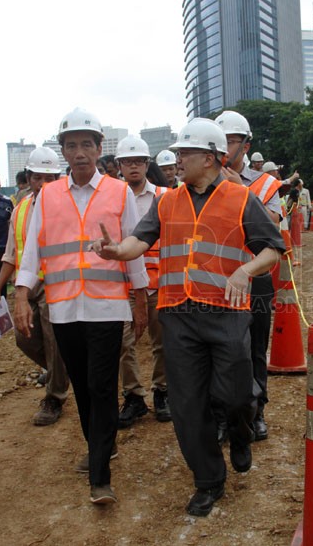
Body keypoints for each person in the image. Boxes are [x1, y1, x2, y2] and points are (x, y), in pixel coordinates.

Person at [89, 117, 283, 516]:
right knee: (188, 404)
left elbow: (273, 249)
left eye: (186, 153)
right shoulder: (167, 202)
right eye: (177, 153)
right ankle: (208, 480)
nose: (178, 160)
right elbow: (138, 241)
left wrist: (245, 271)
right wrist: (115, 252)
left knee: (234, 396)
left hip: (227, 313)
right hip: (178, 313)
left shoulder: (241, 199)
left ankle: (241, 433)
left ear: (211, 158)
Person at [13, 107, 148, 505]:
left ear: (99, 148)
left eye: (86, 144)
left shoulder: (119, 192)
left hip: (107, 308)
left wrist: (140, 300)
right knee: (84, 390)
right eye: (71, 146)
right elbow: (33, 251)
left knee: (101, 385)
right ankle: (100, 447)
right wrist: (22, 294)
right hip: (64, 309)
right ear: (64, 152)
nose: (79, 152)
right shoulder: (48, 196)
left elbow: (134, 249)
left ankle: (100, 477)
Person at [0, 147, 69, 427]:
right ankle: (62, 372)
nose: (43, 184)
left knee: (53, 340)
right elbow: (12, 252)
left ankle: (55, 397)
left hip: (54, 283)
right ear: (29, 178)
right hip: (26, 286)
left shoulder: (67, 208)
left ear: (59, 178)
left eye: (50, 178)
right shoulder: (21, 209)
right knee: (24, 339)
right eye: (38, 177)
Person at [216, 110, 282, 443]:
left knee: (255, 347)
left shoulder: (266, 182)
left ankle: (257, 413)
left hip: (256, 275)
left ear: (246, 144)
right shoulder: (205, 181)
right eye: (222, 140)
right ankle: (223, 416)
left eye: (232, 141)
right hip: (218, 274)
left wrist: (238, 191)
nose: (227, 148)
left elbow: (271, 224)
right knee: (220, 349)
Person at [113, 136, 171, 428]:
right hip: (124, 286)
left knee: (163, 343)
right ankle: (134, 396)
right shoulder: (113, 197)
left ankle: (162, 391)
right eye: (127, 162)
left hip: (160, 284)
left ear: (148, 164)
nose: (133, 166)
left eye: (138, 161)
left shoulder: (165, 196)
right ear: (119, 165)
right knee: (125, 344)